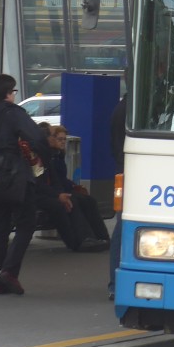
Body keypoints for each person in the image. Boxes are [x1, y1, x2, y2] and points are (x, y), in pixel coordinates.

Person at [0, 73, 47, 296]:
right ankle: (8, 272)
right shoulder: (14, 114)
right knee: (26, 223)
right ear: (9, 93)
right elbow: (36, 137)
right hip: (15, 176)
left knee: (0, 228)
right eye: (14, 91)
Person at [35, 123, 110, 253]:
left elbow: (57, 180)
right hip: (42, 194)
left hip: (54, 191)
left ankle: (100, 236)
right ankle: (81, 239)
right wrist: (60, 194)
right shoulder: (41, 156)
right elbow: (40, 183)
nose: (62, 141)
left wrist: (67, 189)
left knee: (88, 200)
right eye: (56, 137)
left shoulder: (55, 155)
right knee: (72, 202)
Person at [108, 93, 126, 300]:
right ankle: (115, 282)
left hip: (124, 170)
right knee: (122, 228)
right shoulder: (132, 111)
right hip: (131, 174)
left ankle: (115, 282)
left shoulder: (121, 108)